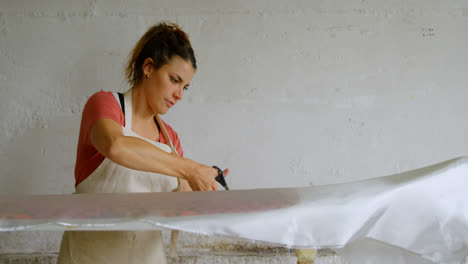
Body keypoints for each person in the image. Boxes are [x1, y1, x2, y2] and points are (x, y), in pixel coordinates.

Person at [56, 21, 229, 264]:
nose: (179, 94)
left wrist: (205, 190)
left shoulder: (170, 139)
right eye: (174, 80)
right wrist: (191, 169)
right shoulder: (105, 105)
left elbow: (178, 206)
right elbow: (116, 146)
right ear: (148, 68)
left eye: (185, 87)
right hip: (89, 257)